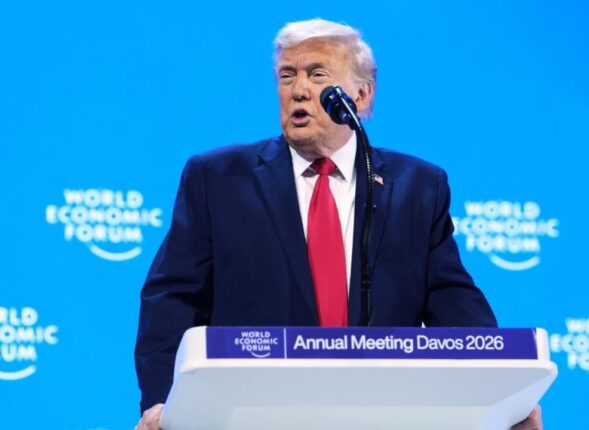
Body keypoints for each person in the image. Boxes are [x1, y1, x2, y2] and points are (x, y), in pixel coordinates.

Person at [134, 18, 543, 430]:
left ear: (361, 95)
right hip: (254, 415)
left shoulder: (418, 188)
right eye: (287, 75)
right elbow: (172, 299)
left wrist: (502, 404)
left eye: (317, 75)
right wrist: (164, 405)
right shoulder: (219, 180)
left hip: (379, 416)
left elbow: (456, 309)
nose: (298, 90)